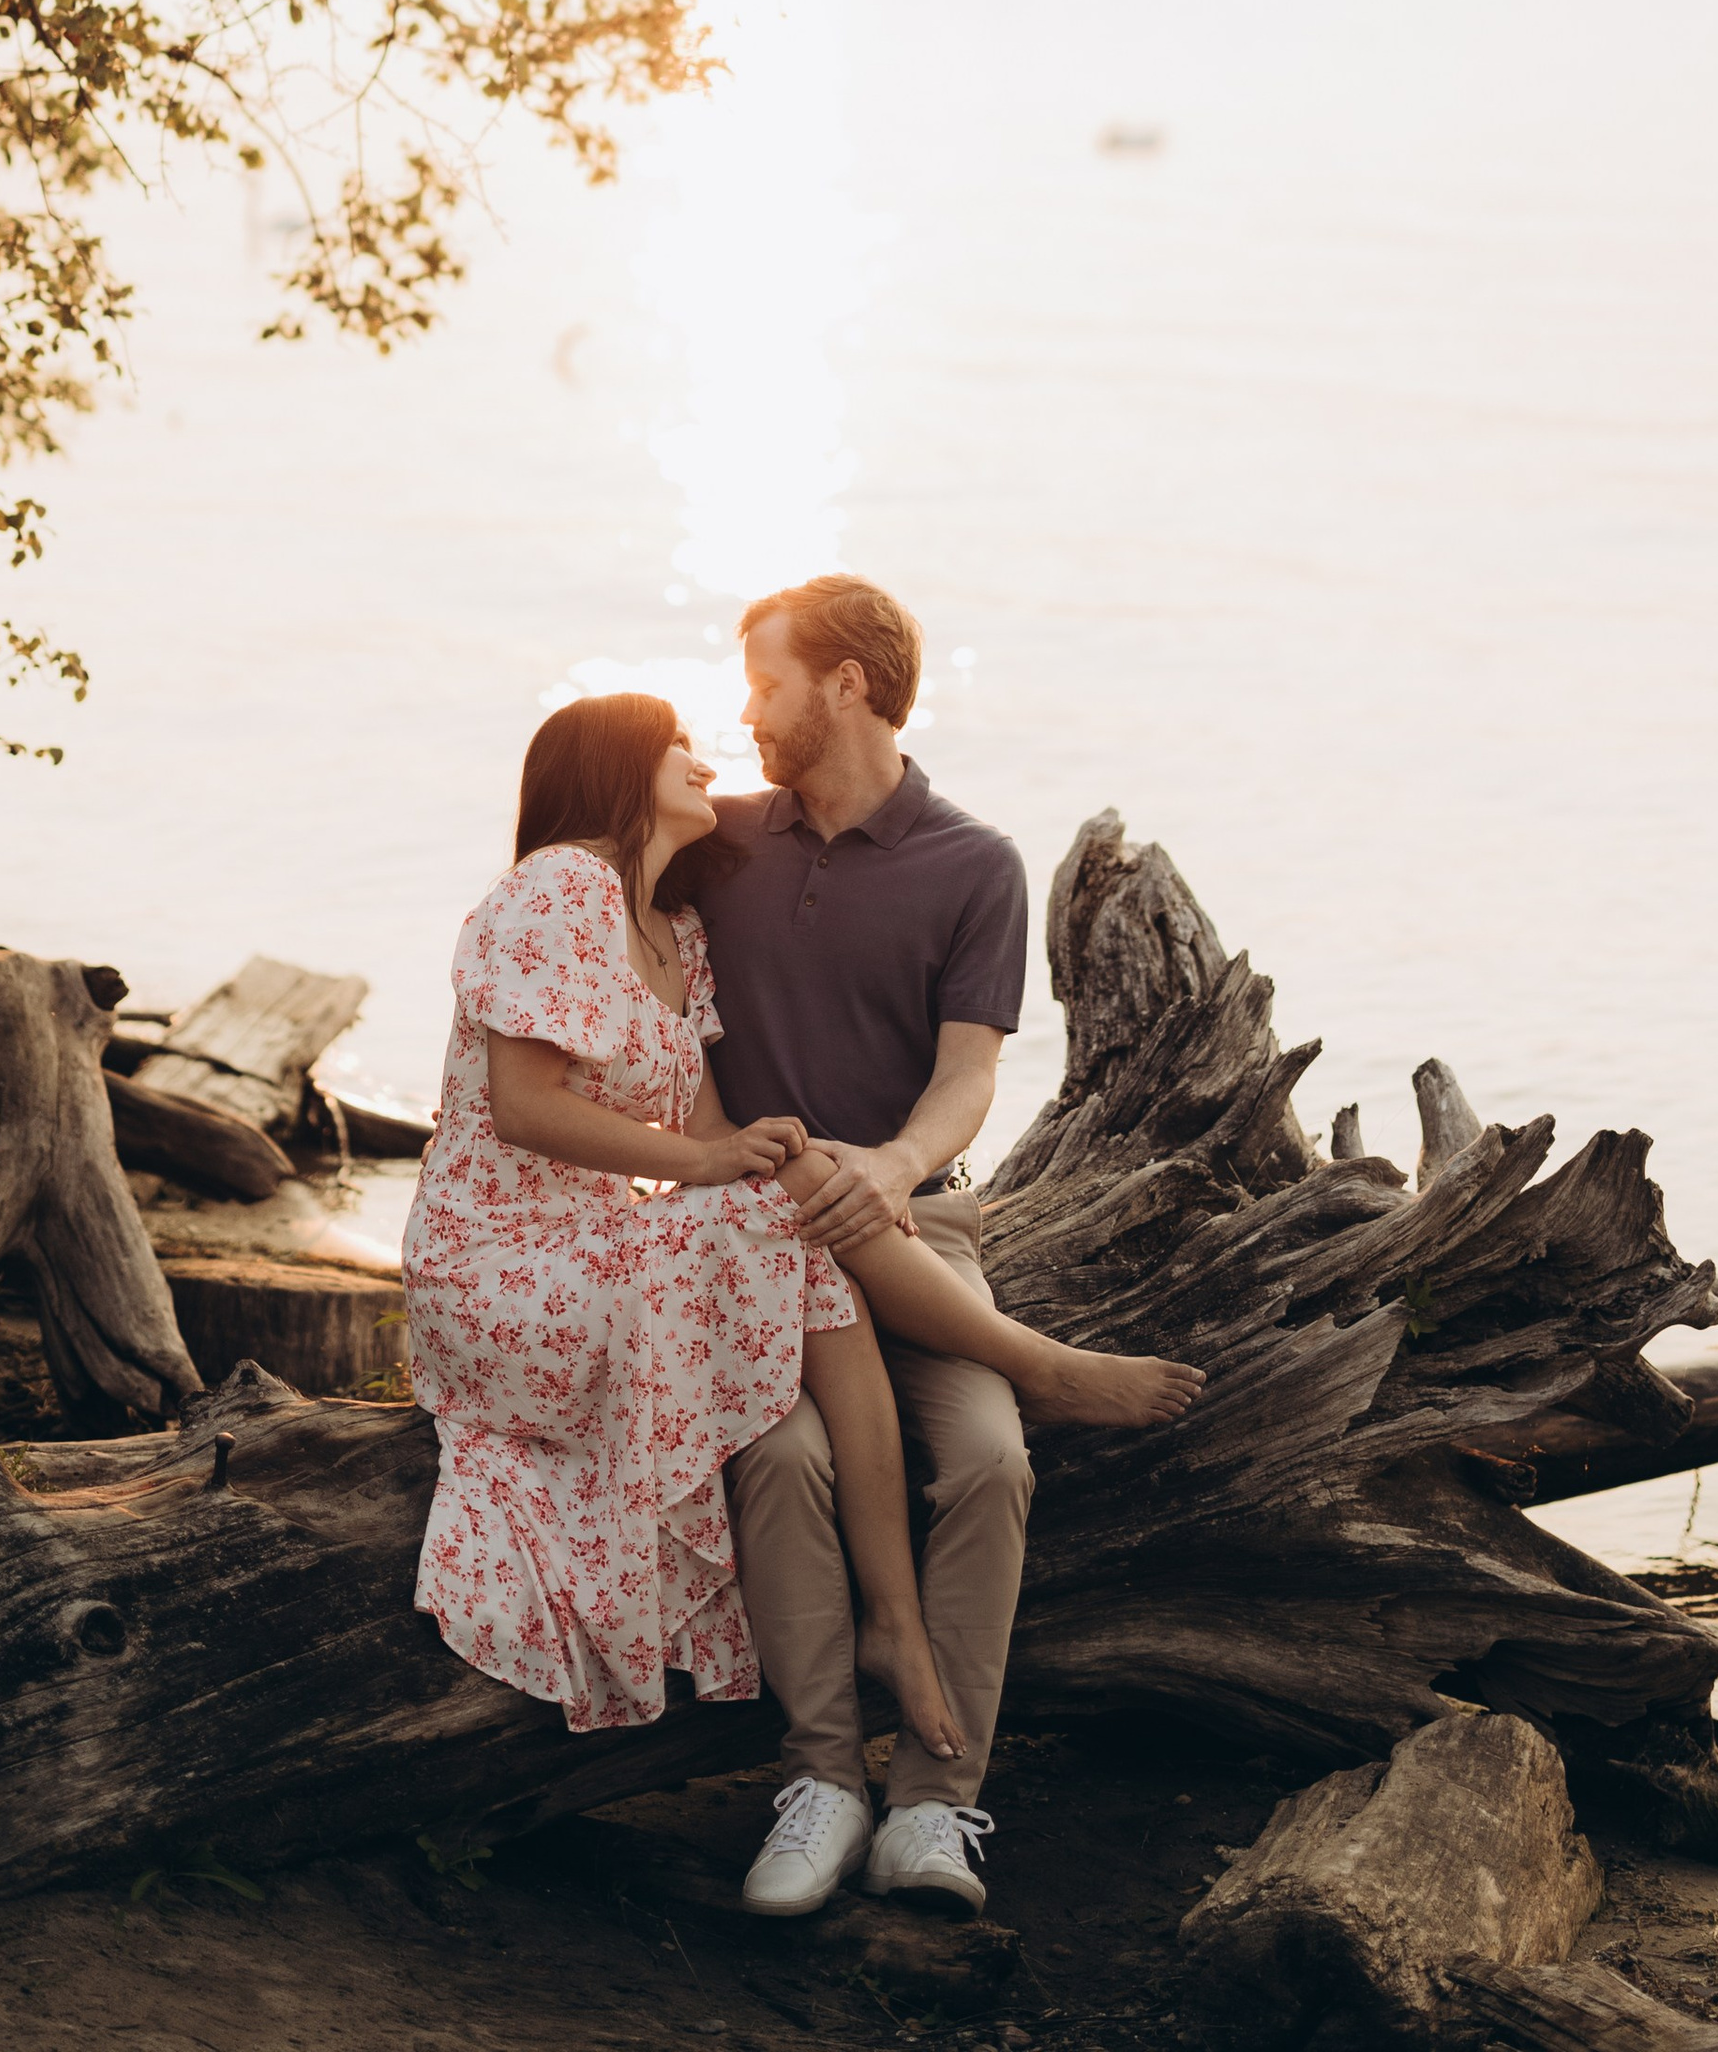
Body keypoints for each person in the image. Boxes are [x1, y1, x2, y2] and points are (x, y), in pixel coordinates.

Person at [404, 689, 1198, 1785]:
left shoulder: (677, 933)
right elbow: (525, 1110)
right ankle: (1027, 1376)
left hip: (603, 1255)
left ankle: (897, 1632)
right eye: (677, 746)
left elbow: (706, 1133)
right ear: (616, 769)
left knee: (794, 1183)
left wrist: (782, 1157)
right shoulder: (558, 887)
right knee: (786, 1202)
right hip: (497, 1272)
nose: (706, 759)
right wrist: (732, 1168)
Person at [698, 575, 1201, 1930]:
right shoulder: (718, 844)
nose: (748, 712)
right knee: (781, 1457)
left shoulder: (975, 864)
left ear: (846, 684)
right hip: (756, 1250)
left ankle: (931, 1800)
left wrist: (893, 1166)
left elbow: (969, 1076)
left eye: (767, 683)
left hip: (916, 1232)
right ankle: (820, 1781)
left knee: (988, 1459)